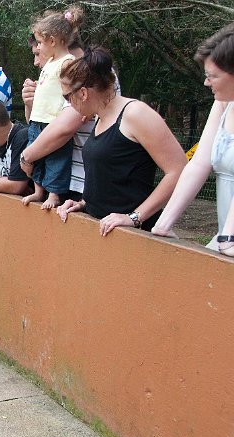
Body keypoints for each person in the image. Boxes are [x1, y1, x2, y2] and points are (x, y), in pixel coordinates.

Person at [55, 46, 186, 235]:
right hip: (105, 231)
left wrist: (134, 217)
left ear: (83, 93)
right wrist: (84, 203)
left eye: (67, 97)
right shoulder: (99, 117)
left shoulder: (136, 114)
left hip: (138, 235)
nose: (67, 103)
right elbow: (112, 175)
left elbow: (179, 169)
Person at [153, 22, 234, 256]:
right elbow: (199, 163)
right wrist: (164, 223)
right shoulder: (223, 102)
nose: (206, 82)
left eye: (212, 76)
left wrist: (228, 238)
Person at [21, 6, 84, 209]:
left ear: (52, 41)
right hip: (39, 118)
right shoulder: (49, 62)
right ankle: (39, 191)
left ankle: (54, 194)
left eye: (40, 42)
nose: (38, 48)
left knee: (56, 160)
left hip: (53, 120)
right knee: (37, 159)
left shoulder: (67, 62)